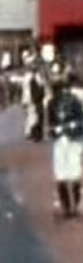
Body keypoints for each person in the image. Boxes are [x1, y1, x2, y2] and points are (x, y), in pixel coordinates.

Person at [46, 61, 83, 218]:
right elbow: (50, 123)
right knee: (61, 175)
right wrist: (54, 130)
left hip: (73, 138)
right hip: (60, 140)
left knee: (74, 172)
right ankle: (67, 206)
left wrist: (72, 126)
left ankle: (74, 203)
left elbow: (81, 119)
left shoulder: (74, 100)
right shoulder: (52, 103)